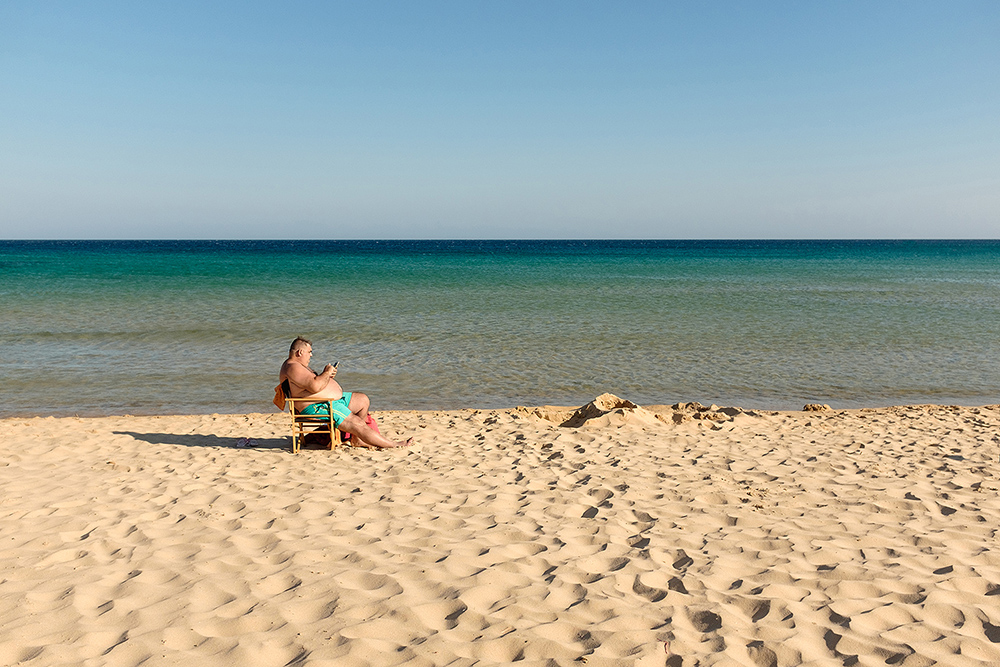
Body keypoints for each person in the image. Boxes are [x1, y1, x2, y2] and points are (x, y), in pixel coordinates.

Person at [280, 337, 412, 449]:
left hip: (325, 401)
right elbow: (314, 386)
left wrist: (328, 376)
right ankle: (394, 444)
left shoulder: (297, 366)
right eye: (309, 352)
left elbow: (311, 384)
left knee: (362, 400)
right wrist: (326, 373)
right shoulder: (292, 367)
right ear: (299, 352)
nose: (311, 355)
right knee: (357, 423)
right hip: (317, 407)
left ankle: (356, 439)